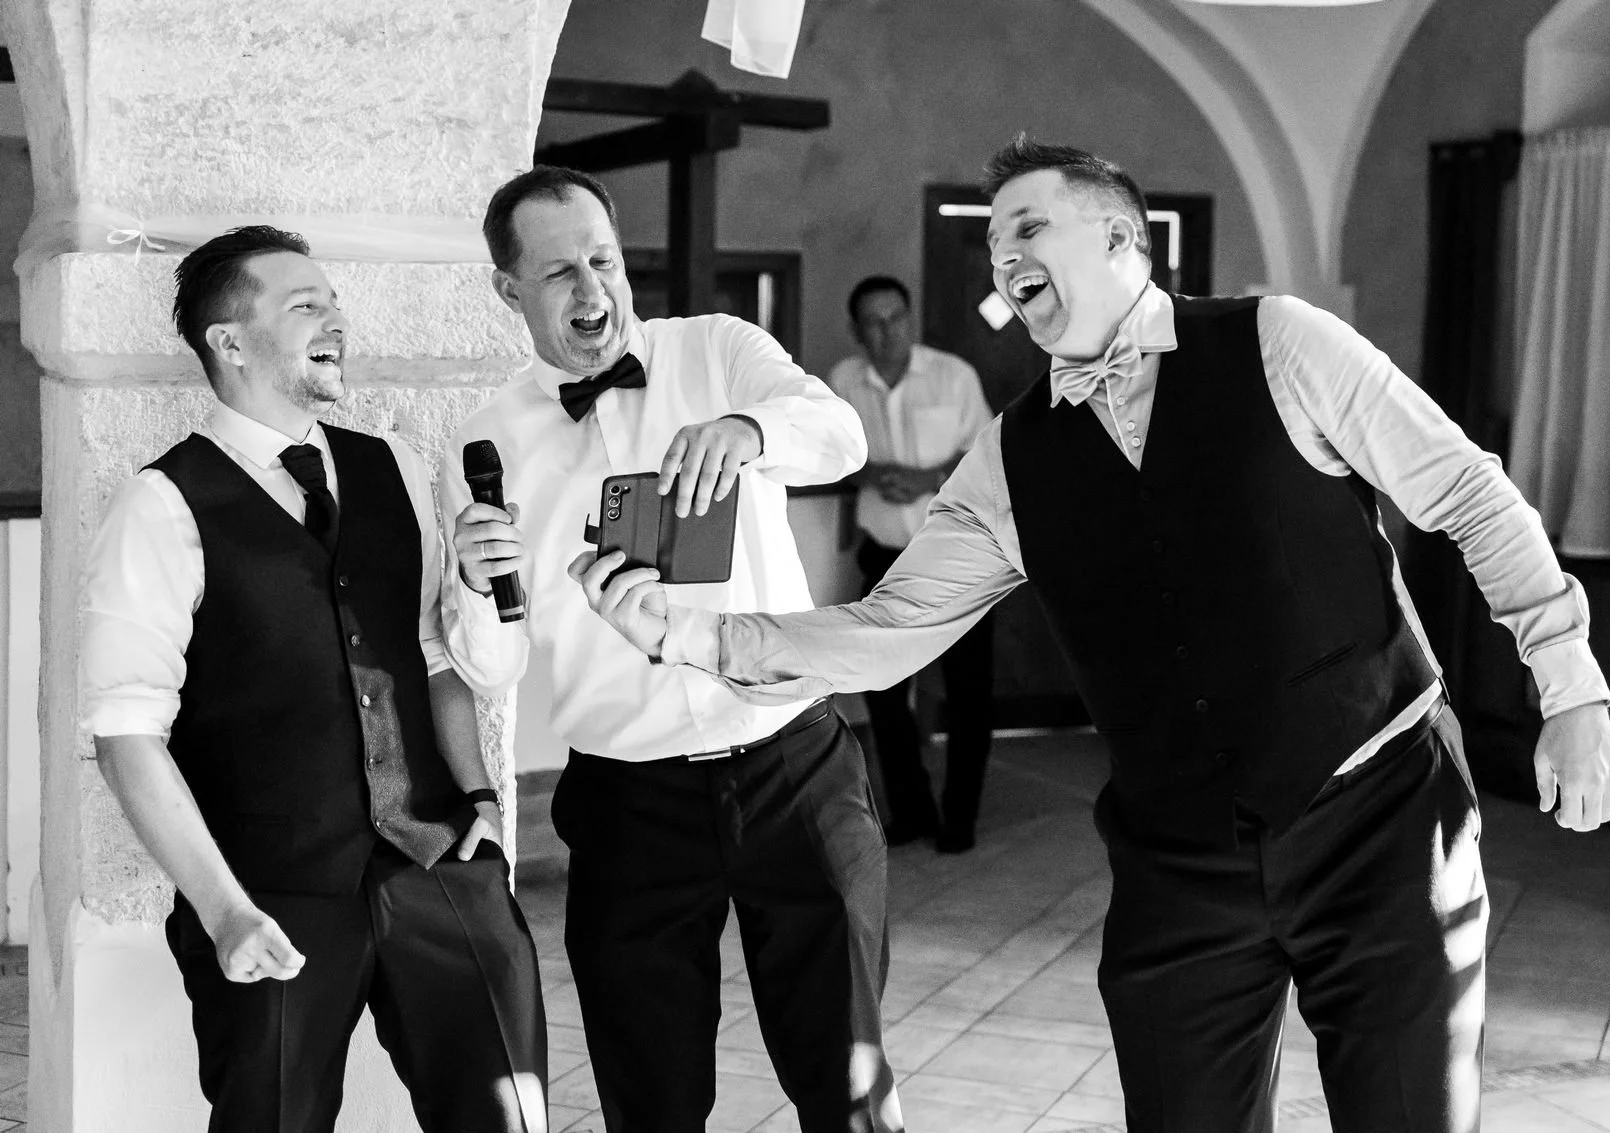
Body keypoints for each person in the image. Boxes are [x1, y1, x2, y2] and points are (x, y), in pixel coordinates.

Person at [570, 138, 1610, 1133]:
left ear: (1122, 237)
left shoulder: (1280, 340)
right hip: (1177, 851)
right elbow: (890, 627)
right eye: (992, 243)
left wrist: (1570, 686)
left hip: (1380, 810)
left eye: (1027, 227)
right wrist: (695, 636)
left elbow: (1468, 494)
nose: (1003, 255)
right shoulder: (1008, 454)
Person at [440, 166, 900, 1133]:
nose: (592, 291)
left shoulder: (719, 349)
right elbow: (491, 665)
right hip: (627, 799)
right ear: (507, 288)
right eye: (559, 271)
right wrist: (479, 589)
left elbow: (841, 436)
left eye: (603, 260)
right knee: (650, 1095)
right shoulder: (483, 442)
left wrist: (750, 428)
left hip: (791, 761)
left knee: (849, 1080)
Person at [81, 226, 548, 1133]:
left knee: (509, 1118)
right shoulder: (161, 505)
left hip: (440, 866)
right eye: (305, 305)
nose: (337, 318)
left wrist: (485, 800)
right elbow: (125, 736)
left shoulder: (397, 468)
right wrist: (224, 911)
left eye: (333, 300)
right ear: (228, 340)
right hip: (269, 893)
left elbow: (435, 656)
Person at [826, 276, 995, 851]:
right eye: (874, 322)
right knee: (885, 691)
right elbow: (827, 458)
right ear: (856, 331)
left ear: (910, 317)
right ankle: (913, 809)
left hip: (960, 555)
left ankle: (960, 817)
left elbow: (990, 458)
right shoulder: (844, 382)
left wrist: (928, 476)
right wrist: (871, 473)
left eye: (896, 317)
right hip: (884, 557)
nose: (887, 331)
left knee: (968, 693)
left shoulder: (953, 376)